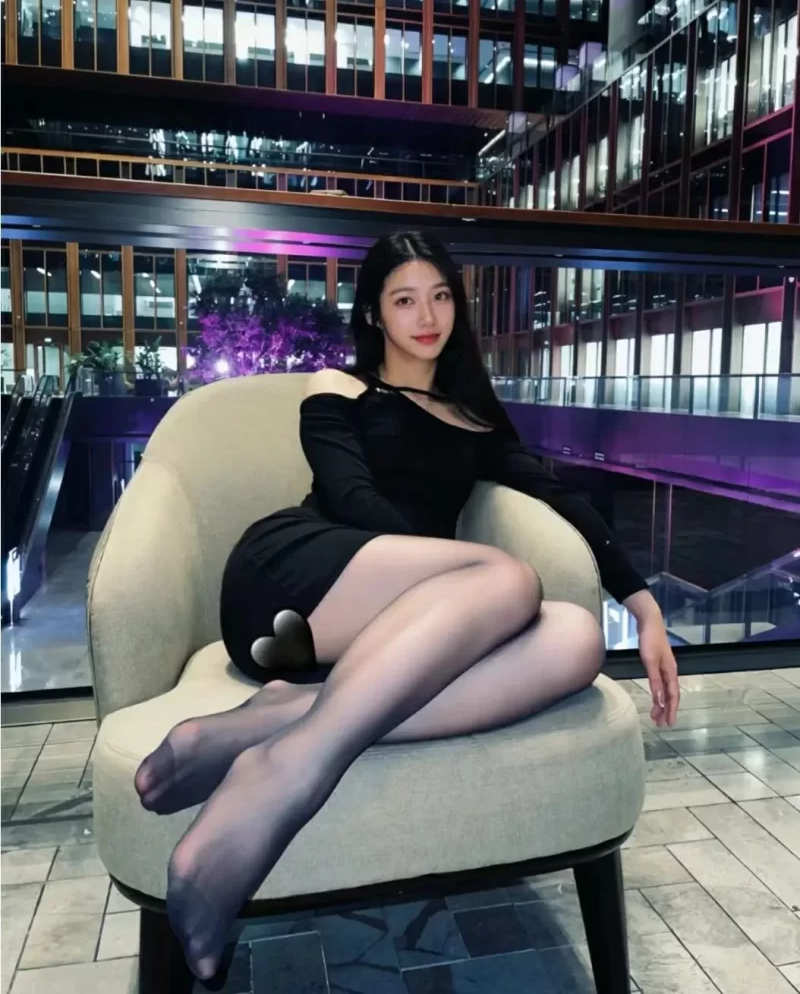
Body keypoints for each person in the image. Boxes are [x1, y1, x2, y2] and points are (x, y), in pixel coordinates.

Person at [133, 231, 680, 983]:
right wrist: (460, 587)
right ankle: (289, 770)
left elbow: (560, 498)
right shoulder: (339, 388)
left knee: (577, 638)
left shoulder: (473, 417)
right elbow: (352, 498)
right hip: (292, 584)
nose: (427, 316)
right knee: (510, 581)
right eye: (404, 299)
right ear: (373, 314)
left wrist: (644, 608)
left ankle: (283, 716)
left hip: (380, 636)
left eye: (441, 296)